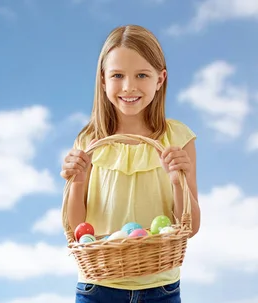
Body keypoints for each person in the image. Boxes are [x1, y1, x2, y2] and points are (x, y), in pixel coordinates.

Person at [60, 24, 202, 303]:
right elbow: (76, 230)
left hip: (161, 287)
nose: (129, 86)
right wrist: (77, 182)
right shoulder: (89, 141)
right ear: (103, 80)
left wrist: (176, 180)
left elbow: (191, 226)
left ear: (160, 79)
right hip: (98, 287)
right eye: (117, 75)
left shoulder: (178, 139)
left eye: (142, 75)